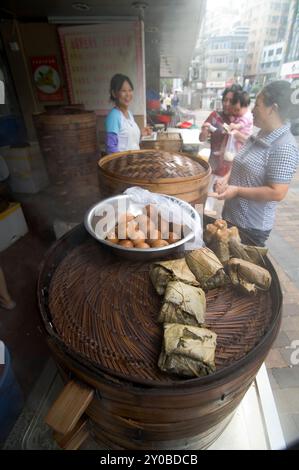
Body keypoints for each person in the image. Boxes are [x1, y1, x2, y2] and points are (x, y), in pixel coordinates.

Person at [214, 80, 299, 246]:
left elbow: (277, 192)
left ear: (272, 109)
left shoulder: (285, 146)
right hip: (233, 217)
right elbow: (243, 161)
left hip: (249, 228)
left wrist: (237, 190)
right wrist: (226, 178)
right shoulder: (262, 134)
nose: (252, 110)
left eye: (257, 105)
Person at [200, 84, 242, 214]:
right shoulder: (215, 116)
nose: (226, 103)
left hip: (232, 168)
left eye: (231, 101)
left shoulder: (241, 119)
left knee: (231, 205)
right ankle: (203, 223)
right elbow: (201, 139)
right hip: (214, 165)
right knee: (206, 201)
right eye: (225, 100)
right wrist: (205, 129)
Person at [105, 74, 151, 154]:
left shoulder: (129, 114)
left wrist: (140, 134)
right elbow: (110, 148)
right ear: (114, 93)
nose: (128, 94)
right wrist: (123, 162)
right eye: (123, 91)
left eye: (130, 90)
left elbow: (128, 142)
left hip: (134, 162)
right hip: (124, 164)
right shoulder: (114, 116)